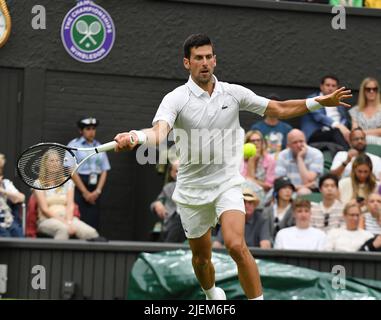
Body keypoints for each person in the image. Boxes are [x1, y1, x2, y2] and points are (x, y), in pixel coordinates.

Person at [113, 34, 351, 300]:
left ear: (214, 60)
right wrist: (137, 136)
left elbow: (279, 108)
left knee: (236, 245)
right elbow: (159, 132)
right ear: (186, 63)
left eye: (208, 57)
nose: (204, 63)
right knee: (202, 260)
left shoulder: (233, 93)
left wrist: (318, 101)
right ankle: (211, 293)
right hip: (192, 189)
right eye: (198, 58)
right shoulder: (175, 99)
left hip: (227, 181)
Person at [33, 149, 99, 240]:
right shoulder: (38, 183)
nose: (55, 163)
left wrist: (68, 221)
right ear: (45, 164)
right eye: (52, 161)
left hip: (68, 217)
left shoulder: (68, 182)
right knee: (63, 230)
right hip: (47, 219)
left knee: (90, 232)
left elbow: (70, 205)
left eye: (57, 161)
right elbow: (44, 209)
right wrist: (64, 223)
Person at [67, 117, 111, 230]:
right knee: (79, 219)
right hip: (79, 185)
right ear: (81, 131)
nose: (92, 132)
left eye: (93, 129)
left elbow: (104, 169)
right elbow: (70, 170)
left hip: (95, 187)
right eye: (88, 129)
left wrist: (97, 191)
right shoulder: (74, 145)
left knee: (93, 221)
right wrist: (85, 192)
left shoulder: (99, 145)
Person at [300, 75, 351, 149]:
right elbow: (319, 117)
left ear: (337, 88)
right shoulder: (313, 99)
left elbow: (344, 119)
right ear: (321, 86)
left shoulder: (339, 103)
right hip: (315, 134)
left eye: (333, 86)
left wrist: (344, 128)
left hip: (337, 134)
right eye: (328, 85)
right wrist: (339, 126)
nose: (330, 88)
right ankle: (348, 154)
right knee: (336, 132)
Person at [275, 129, 324, 195]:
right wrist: (302, 186)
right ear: (288, 145)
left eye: (301, 141)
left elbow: (308, 180)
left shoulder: (316, 154)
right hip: (287, 191)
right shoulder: (282, 155)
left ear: (305, 141)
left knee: (303, 191)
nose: (299, 145)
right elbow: (280, 182)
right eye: (295, 142)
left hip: (310, 191)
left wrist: (300, 158)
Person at [150, 160, 186, 243]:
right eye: (177, 171)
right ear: (172, 173)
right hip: (170, 225)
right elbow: (155, 203)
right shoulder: (168, 188)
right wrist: (157, 204)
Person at [349, 77, 381, 145]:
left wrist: (362, 132)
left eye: (374, 89)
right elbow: (354, 132)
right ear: (363, 91)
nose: (371, 91)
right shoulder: (355, 111)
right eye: (368, 89)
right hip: (361, 144)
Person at [262, 176, 295, 241]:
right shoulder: (267, 210)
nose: (288, 191)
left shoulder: (295, 211)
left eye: (290, 188)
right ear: (277, 191)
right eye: (284, 188)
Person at [0, 153, 25, 237]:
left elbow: (22, 198)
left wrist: (3, 191)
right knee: (5, 235)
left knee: (17, 231)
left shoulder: (6, 183)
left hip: (8, 220)